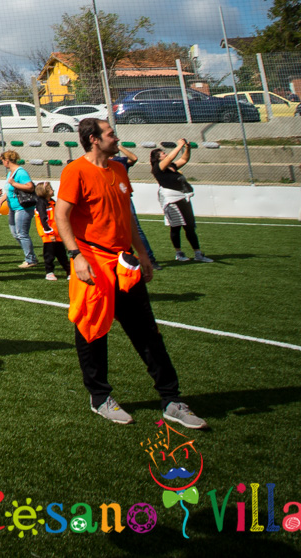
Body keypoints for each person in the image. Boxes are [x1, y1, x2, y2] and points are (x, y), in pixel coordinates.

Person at [55, 118, 206, 429]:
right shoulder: (75, 170)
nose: (116, 137)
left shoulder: (120, 169)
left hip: (125, 263)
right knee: (92, 330)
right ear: (93, 139)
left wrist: (142, 254)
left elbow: (126, 216)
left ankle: (171, 399)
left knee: (147, 331)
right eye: (110, 133)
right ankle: (99, 398)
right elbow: (61, 214)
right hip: (93, 263)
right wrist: (76, 256)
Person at [151, 140, 211, 263]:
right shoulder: (159, 168)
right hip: (171, 200)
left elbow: (184, 159)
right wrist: (179, 145)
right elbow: (171, 157)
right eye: (163, 153)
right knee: (176, 227)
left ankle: (198, 253)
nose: (166, 154)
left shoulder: (172, 167)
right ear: (157, 158)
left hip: (183, 198)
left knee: (189, 227)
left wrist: (187, 148)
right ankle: (179, 253)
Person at [0, 151, 40, 268]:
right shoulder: (10, 173)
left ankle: (30, 259)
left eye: (3, 161)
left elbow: (30, 187)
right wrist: (2, 199)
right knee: (15, 233)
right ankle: (30, 256)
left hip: (22, 207)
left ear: (7, 160)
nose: (3, 163)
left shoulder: (20, 173)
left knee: (22, 233)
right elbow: (9, 190)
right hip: (13, 207)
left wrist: (14, 183)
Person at [34, 183, 67, 280]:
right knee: (49, 255)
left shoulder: (52, 202)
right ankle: (49, 272)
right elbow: (43, 219)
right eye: (50, 189)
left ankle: (69, 271)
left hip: (57, 233)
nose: (53, 190)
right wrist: (49, 233)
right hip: (49, 235)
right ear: (44, 192)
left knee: (62, 254)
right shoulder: (41, 203)